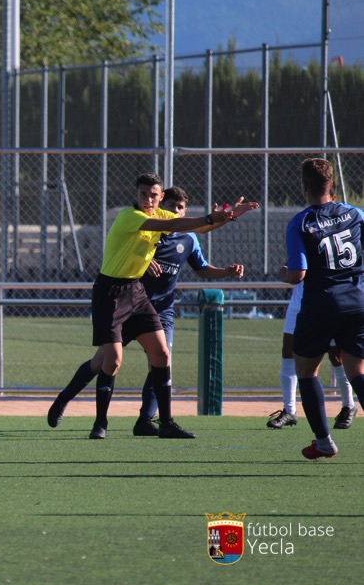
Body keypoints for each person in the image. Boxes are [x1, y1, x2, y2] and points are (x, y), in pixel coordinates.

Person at [47, 172, 259, 440]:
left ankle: (166, 423)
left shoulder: (165, 216)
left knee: (161, 354)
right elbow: (177, 225)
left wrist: (227, 217)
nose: (148, 199)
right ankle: (97, 421)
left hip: (135, 292)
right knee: (109, 361)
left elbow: (192, 227)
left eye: (153, 195)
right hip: (110, 293)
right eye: (143, 194)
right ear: (136, 196)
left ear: (160, 197)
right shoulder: (131, 217)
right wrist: (208, 218)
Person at [278, 158, 364, 459]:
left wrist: (283, 273)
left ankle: (324, 441)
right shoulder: (355, 213)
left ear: (304, 187)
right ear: (333, 186)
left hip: (321, 305)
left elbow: (298, 274)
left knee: (306, 370)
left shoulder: (300, 222)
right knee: (357, 372)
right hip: (357, 302)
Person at [267, 283, 359, 432]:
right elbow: (290, 273)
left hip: (325, 301)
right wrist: (286, 273)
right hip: (299, 302)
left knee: (335, 354)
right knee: (288, 351)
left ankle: (348, 406)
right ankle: (290, 411)